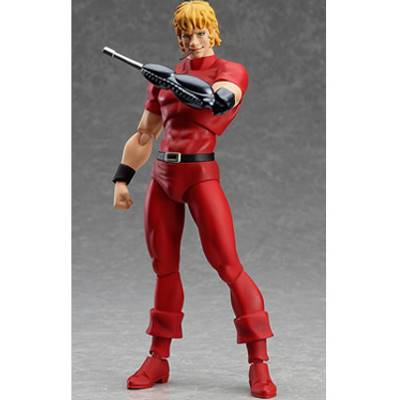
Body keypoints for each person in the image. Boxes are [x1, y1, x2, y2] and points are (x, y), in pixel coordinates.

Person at [112, 1, 277, 398]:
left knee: (228, 265)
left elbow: (223, 97)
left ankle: (259, 362)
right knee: (164, 268)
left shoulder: (229, 71)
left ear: (212, 32)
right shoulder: (163, 78)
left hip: (200, 174)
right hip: (163, 177)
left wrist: (191, 88)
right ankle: (158, 358)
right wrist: (123, 177)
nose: (193, 40)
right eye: (185, 35)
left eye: (200, 33)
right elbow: (144, 134)